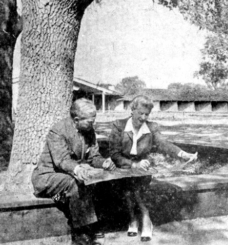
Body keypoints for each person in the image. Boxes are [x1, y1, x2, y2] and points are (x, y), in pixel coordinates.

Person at [108, 95, 197, 242]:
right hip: (123, 165)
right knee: (128, 188)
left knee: (135, 187)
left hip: (143, 167)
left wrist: (183, 154)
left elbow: (164, 144)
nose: (143, 117)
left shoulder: (152, 127)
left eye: (146, 114)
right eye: (140, 113)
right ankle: (134, 219)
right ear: (132, 110)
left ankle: (145, 217)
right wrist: (133, 165)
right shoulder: (119, 125)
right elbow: (114, 154)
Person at [31, 98, 116, 245]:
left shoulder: (89, 131)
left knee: (103, 180)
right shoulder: (58, 131)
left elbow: (93, 157)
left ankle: (93, 227)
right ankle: (80, 238)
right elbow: (61, 160)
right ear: (76, 120)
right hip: (48, 176)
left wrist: (104, 163)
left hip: (70, 174)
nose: (92, 125)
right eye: (89, 122)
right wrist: (77, 169)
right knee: (74, 183)